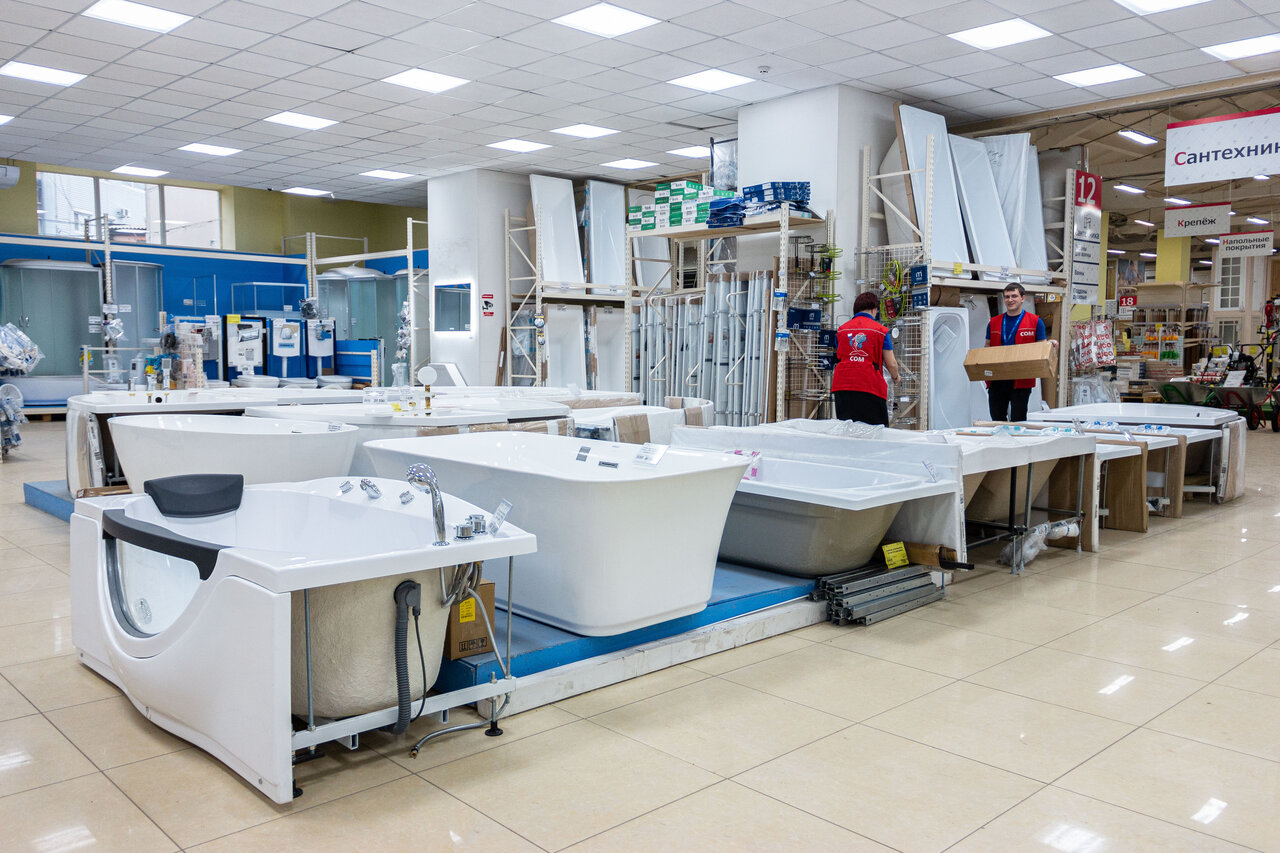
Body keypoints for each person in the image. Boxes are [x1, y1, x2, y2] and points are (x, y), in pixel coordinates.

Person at [986, 282, 1055, 422]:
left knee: (1019, 418)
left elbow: (1041, 348)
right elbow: (987, 346)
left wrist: (1050, 344)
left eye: (1014, 296)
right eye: (1007, 297)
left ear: (1022, 298)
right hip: (998, 377)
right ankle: (1001, 436)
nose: (1010, 300)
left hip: (1022, 378)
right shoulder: (993, 322)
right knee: (997, 417)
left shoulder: (1035, 322)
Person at [832, 291, 900, 426]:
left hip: (842, 387)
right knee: (875, 430)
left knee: (847, 430)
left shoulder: (842, 331)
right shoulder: (880, 331)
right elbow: (891, 363)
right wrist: (896, 377)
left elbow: (841, 355)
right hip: (869, 386)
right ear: (874, 309)